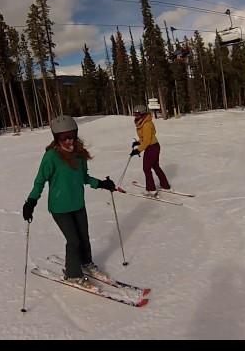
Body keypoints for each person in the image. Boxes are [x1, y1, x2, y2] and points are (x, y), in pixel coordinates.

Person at [22, 115, 116, 288]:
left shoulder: (79, 155)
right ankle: (73, 274)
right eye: (64, 137)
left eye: (72, 135)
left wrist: (102, 183)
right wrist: (31, 201)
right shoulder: (51, 157)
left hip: (78, 204)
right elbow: (40, 181)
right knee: (73, 240)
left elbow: (84, 178)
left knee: (84, 237)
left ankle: (86, 263)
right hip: (60, 207)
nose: (69, 140)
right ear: (56, 137)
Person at [130, 104, 171, 197]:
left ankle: (151, 189)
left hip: (152, 147)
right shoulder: (142, 122)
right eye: (134, 114)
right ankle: (165, 186)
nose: (135, 116)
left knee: (146, 168)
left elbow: (147, 140)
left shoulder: (146, 124)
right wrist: (138, 142)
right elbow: (145, 138)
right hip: (152, 146)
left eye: (137, 114)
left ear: (142, 114)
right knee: (155, 166)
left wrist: (138, 150)